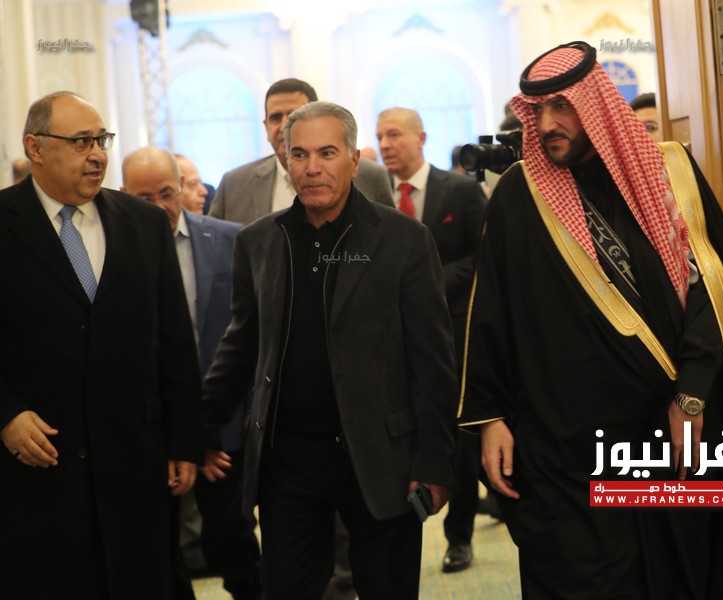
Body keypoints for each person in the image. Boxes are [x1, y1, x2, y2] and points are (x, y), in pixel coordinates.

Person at [459, 42, 723, 599]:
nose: (546, 125)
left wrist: (691, 395)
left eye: (562, 107)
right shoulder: (519, 196)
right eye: (537, 110)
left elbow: (712, 291)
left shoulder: (670, 171)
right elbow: (492, 315)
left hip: (674, 432)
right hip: (569, 449)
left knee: (690, 576)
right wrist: (490, 416)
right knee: (584, 578)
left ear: (595, 105)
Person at [201, 101, 457, 598]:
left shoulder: (403, 239)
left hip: (381, 455)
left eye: (327, 153)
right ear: (286, 161)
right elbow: (241, 343)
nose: (312, 167)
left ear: (354, 161)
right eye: (299, 154)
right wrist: (202, 425)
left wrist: (435, 463)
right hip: (288, 459)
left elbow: (433, 361)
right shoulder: (259, 242)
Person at [0, 91, 203, 598]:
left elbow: (175, 342)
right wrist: (6, 413)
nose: (96, 155)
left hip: (135, 461)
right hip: (38, 467)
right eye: (80, 142)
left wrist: (184, 441)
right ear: (36, 147)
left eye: (101, 140)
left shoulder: (144, 223)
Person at [122, 147, 263, 600]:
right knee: (158, 548)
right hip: (153, 427)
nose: (159, 207)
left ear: (183, 188)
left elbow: (253, 334)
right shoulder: (113, 252)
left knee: (230, 537)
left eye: (167, 193)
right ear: (123, 195)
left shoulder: (229, 239)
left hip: (225, 423)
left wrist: (213, 430)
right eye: (144, 199)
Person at [377, 107, 487, 573]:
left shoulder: (459, 190)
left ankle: (459, 537)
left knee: (456, 437)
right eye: (380, 137)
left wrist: (429, 283)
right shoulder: (372, 194)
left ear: (420, 138)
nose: (385, 145)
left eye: (394, 135)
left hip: (452, 334)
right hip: (390, 341)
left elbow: (483, 257)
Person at [210, 78, 393, 224]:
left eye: (293, 115)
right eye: (275, 117)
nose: (284, 127)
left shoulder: (371, 176)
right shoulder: (234, 186)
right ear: (265, 126)